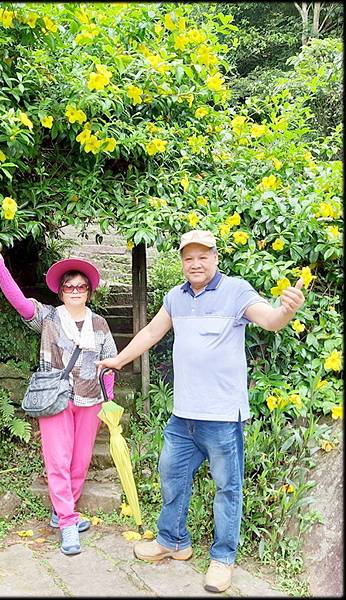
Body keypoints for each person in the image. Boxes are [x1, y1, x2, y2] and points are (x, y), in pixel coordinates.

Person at [96, 229, 305, 593]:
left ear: (215, 257)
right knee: (171, 476)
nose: (195, 263)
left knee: (228, 487)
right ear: (181, 261)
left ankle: (223, 559)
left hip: (222, 417)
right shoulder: (176, 298)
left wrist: (286, 310)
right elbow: (150, 333)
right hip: (183, 415)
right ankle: (173, 541)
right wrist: (118, 359)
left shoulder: (236, 291)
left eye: (203, 256)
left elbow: (269, 320)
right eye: (188, 257)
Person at [0, 243, 117, 556]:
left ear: (89, 292)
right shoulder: (49, 318)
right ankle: (66, 521)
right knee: (58, 461)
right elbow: (21, 304)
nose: (75, 290)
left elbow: (109, 364)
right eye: (69, 286)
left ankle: (62, 511)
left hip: (90, 401)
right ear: (61, 291)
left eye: (81, 286)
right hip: (55, 398)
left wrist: (110, 400)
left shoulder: (100, 325)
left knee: (79, 463)